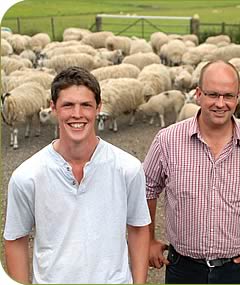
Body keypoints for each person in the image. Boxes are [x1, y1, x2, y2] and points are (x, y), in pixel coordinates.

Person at [3, 66, 151, 284]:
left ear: (98, 108)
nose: (77, 114)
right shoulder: (27, 176)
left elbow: (139, 228)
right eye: (68, 105)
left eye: (86, 105)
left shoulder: (128, 168)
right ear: (53, 107)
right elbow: (15, 239)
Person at [143, 60, 240, 284]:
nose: (220, 103)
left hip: (235, 269)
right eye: (213, 94)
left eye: (228, 96)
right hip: (183, 267)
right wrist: (148, 240)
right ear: (198, 94)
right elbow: (147, 189)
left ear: (237, 98)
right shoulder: (168, 140)